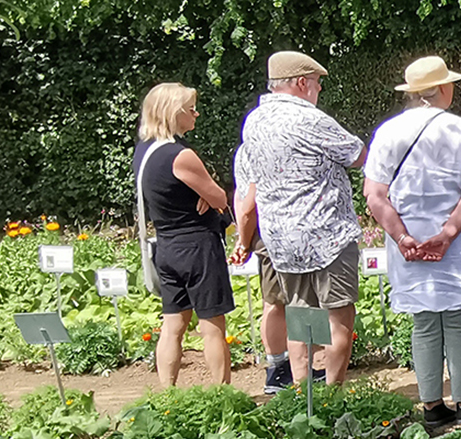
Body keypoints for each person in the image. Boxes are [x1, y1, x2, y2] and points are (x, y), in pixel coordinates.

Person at [363, 56, 461, 425]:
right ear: (443, 89)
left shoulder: (388, 132)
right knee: (458, 321)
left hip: (409, 240)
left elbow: (374, 195)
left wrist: (403, 237)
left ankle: (432, 407)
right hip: (459, 241)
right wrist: (449, 232)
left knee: (423, 322)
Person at [231, 51, 364, 384]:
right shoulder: (310, 119)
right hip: (326, 236)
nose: (319, 91)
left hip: (282, 241)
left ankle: (303, 397)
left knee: (301, 317)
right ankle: (332, 394)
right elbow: (358, 155)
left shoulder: (255, 120)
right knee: (339, 318)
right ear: (302, 83)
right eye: (318, 83)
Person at [132, 82, 234, 386]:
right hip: (198, 248)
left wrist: (203, 191)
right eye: (190, 109)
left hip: (166, 246)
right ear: (173, 113)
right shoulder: (181, 155)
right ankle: (222, 394)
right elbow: (219, 198)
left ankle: (168, 395)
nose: (196, 114)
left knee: (172, 324)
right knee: (212, 325)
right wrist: (212, 192)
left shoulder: (143, 152)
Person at [230, 141, 298, 394]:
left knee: (281, 302)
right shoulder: (261, 149)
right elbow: (248, 204)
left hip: (271, 236)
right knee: (283, 303)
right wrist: (243, 241)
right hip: (280, 235)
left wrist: (243, 239)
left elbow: (240, 199)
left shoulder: (246, 149)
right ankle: (282, 370)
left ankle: (290, 367)